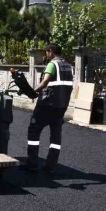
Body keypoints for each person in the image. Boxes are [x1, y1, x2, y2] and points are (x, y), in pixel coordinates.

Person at [23, 43, 74, 173]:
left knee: (34, 131)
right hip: (61, 106)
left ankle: (32, 164)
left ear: (51, 51)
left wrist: (33, 92)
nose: (46, 55)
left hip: (46, 105)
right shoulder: (68, 66)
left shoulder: (53, 64)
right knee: (55, 137)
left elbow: (45, 81)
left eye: (47, 52)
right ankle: (51, 166)